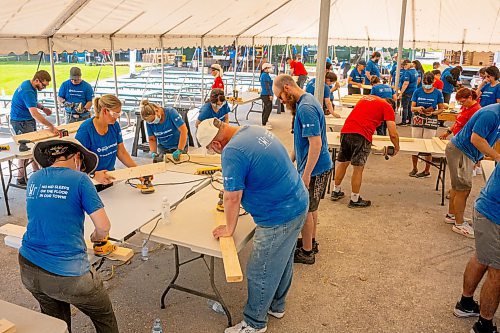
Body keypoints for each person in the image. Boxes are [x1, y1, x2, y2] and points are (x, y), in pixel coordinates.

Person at [196, 118, 308, 333]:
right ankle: (276, 306)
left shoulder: (232, 151)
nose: (215, 153)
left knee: (261, 269)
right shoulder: (252, 130)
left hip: (279, 214)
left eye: (212, 149)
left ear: (217, 144)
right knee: (281, 261)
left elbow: (232, 198)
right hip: (297, 201)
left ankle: (254, 323)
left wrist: (229, 228)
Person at [19, 137, 118, 333]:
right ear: (78, 158)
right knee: (104, 317)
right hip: (69, 274)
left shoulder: (35, 178)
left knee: (57, 324)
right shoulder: (80, 180)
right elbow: (104, 226)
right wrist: (97, 237)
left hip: (29, 268)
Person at [273, 74, 333, 265]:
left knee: (305, 210)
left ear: (287, 88)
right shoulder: (305, 101)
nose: (281, 101)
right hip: (314, 166)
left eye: (280, 96)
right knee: (312, 208)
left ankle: (307, 252)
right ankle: (311, 242)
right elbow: (302, 143)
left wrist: (306, 174)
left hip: (315, 168)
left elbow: (315, 144)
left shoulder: (306, 108)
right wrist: (289, 161)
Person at [453, 163, 499, 333]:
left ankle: (465, 304)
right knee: (497, 270)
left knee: (482, 257)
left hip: (486, 210)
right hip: (493, 214)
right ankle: (483, 326)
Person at [331, 95, 400, 206]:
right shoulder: (387, 107)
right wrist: (396, 147)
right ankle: (354, 199)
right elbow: (393, 133)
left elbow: (363, 117)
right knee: (358, 168)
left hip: (346, 131)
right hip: (362, 135)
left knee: (343, 163)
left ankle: (336, 191)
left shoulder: (366, 98)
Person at [444, 103, 500, 238]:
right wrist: (496, 156)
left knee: (457, 187)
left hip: (467, 152)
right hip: (461, 151)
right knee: (463, 188)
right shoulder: (491, 114)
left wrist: (481, 155)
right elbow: (476, 139)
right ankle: (459, 224)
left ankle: (452, 215)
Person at [75, 95, 137, 191]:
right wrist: (93, 175)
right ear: (104, 111)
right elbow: (76, 162)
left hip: (108, 177)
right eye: (115, 114)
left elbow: (121, 152)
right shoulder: (85, 130)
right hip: (90, 181)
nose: (117, 117)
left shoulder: (114, 126)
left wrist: (137, 171)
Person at [10, 70, 59, 186]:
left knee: (28, 149)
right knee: (30, 149)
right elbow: (34, 114)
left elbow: (31, 102)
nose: (43, 87)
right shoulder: (27, 90)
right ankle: (37, 175)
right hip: (21, 121)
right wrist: (51, 126)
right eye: (43, 85)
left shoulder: (29, 84)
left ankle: (23, 176)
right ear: (37, 80)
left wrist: (43, 108)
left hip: (25, 120)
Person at [408, 72, 445, 178]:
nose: (427, 86)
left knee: (428, 145)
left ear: (433, 82)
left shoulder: (438, 93)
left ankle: (426, 170)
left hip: (431, 120)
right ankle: (414, 168)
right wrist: (418, 109)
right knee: (416, 144)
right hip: (417, 119)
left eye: (429, 83)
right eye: (425, 83)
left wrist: (433, 113)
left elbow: (441, 108)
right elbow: (412, 107)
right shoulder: (417, 91)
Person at [398, 59, 418, 126]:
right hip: (413, 90)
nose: (404, 67)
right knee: (410, 106)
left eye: (405, 65)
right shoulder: (415, 71)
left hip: (407, 91)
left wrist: (401, 93)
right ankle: (410, 120)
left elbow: (406, 83)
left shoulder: (408, 72)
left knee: (405, 106)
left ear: (408, 64)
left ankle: (404, 121)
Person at [259, 63, 274, 129]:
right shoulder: (264, 75)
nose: (270, 69)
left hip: (265, 94)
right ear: (265, 68)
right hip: (266, 94)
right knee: (268, 108)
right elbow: (267, 86)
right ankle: (264, 123)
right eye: (269, 68)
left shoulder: (265, 75)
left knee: (266, 108)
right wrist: (270, 94)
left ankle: (264, 121)